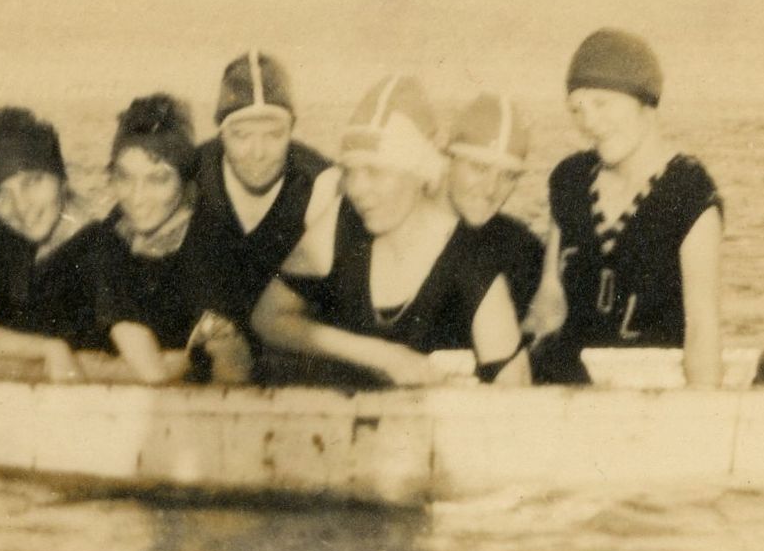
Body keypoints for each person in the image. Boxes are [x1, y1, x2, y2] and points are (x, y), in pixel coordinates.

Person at [253, 76, 527, 387]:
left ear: (420, 172)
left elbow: (516, 395)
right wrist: (384, 356)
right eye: (351, 171)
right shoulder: (341, 220)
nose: (357, 188)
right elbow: (267, 318)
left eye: (375, 171)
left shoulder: (472, 261)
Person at [529, 30, 725, 388]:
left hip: (653, 391)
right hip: (565, 386)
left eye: (601, 103)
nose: (589, 121)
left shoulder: (690, 192)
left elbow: (701, 327)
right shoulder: (570, 180)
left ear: (645, 102)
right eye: (577, 109)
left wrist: (704, 411)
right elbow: (549, 299)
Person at [86, 93, 251, 385]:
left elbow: (230, 364)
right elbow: (127, 332)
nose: (137, 198)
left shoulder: (212, 243)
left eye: (158, 179)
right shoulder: (113, 232)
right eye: (124, 177)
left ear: (185, 181)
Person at [184, 51, 332, 341]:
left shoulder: (319, 182)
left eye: (274, 135)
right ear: (222, 133)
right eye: (242, 135)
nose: (258, 152)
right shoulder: (191, 172)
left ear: (291, 131)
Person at [0, 107, 97, 382]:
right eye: (3, 194)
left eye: (32, 182)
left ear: (61, 176)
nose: (21, 207)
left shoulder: (102, 246)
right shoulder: (6, 232)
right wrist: (48, 349)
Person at [444, 91, 549, 325]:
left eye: (508, 176)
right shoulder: (398, 230)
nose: (491, 189)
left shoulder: (523, 251)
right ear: (448, 159)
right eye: (480, 168)